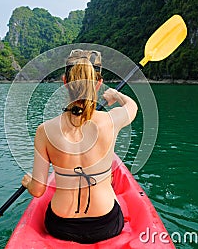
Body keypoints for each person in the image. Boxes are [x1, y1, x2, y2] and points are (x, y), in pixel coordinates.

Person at [21, 49, 138, 244]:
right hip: (106, 224)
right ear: (99, 83)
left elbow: (38, 190)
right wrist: (116, 95)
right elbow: (132, 106)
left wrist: (28, 183)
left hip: (60, 226)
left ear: (65, 81)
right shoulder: (111, 120)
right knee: (110, 189)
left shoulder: (44, 131)